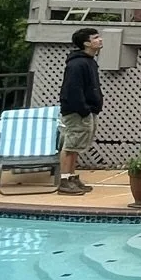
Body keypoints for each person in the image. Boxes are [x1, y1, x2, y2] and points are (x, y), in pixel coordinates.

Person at [57, 26, 104, 194]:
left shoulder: (89, 61)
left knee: (77, 146)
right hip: (76, 111)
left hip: (87, 110)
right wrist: (83, 109)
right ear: (86, 43)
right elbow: (72, 90)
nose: (100, 40)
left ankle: (71, 177)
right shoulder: (77, 64)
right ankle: (63, 181)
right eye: (96, 38)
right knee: (70, 146)